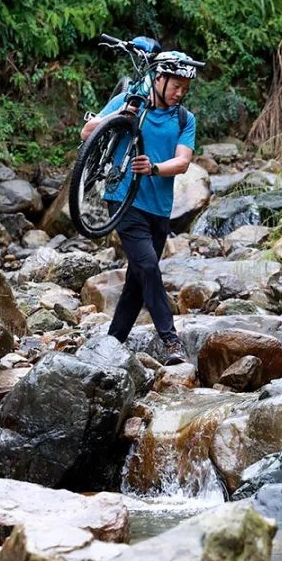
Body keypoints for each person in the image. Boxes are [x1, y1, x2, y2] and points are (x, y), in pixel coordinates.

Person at [79, 50, 199, 364]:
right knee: (147, 266)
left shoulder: (185, 119)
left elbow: (183, 161)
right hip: (123, 200)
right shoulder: (131, 102)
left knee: (137, 279)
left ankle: (111, 345)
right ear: (158, 79)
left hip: (160, 208)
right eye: (175, 86)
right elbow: (87, 132)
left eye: (185, 88)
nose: (179, 93)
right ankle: (171, 340)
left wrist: (155, 168)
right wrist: (120, 118)